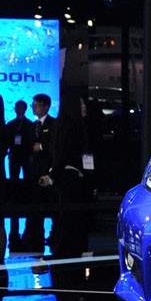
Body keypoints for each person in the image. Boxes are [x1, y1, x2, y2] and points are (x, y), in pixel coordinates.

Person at [39, 91, 90, 261]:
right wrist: (53, 175)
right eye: (81, 104)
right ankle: (66, 254)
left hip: (63, 177)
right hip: (70, 177)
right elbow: (64, 155)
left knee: (65, 217)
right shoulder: (73, 128)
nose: (84, 107)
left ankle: (63, 253)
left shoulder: (61, 126)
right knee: (70, 218)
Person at [23, 93, 56, 252]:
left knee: (49, 203)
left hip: (47, 169)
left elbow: (54, 145)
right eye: (33, 105)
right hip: (33, 170)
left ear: (45, 107)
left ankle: (53, 234)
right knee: (34, 203)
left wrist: (41, 147)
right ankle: (33, 234)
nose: (33, 108)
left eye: (36, 105)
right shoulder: (31, 125)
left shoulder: (53, 124)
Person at [6, 100, 33, 249]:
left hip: (26, 155)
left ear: (25, 108)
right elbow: (7, 140)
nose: (19, 109)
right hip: (14, 155)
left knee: (28, 177)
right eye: (17, 107)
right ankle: (14, 198)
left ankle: (27, 197)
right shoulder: (10, 124)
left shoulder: (29, 124)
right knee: (14, 178)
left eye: (21, 107)